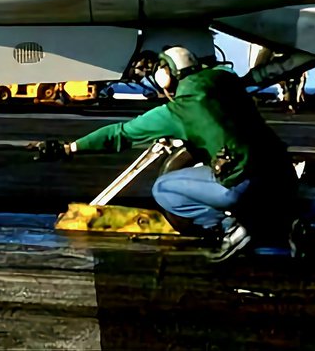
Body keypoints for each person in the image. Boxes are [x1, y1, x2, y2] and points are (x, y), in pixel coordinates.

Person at [31, 46, 297, 261]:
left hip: (244, 184)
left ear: (166, 75)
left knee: (164, 188)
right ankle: (283, 225)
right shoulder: (227, 82)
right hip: (282, 174)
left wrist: (70, 147)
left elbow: (120, 134)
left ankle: (232, 231)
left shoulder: (178, 111)